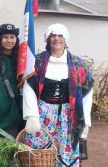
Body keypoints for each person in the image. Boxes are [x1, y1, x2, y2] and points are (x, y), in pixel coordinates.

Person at [23, 23, 94, 167]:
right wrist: (32, 116)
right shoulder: (37, 62)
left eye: (60, 35)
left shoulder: (77, 64)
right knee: (40, 156)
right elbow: (29, 88)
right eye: (53, 35)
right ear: (48, 39)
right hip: (43, 114)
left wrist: (85, 120)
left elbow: (86, 93)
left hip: (69, 115)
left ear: (66, 39)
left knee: (66, 153)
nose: (56, 39)